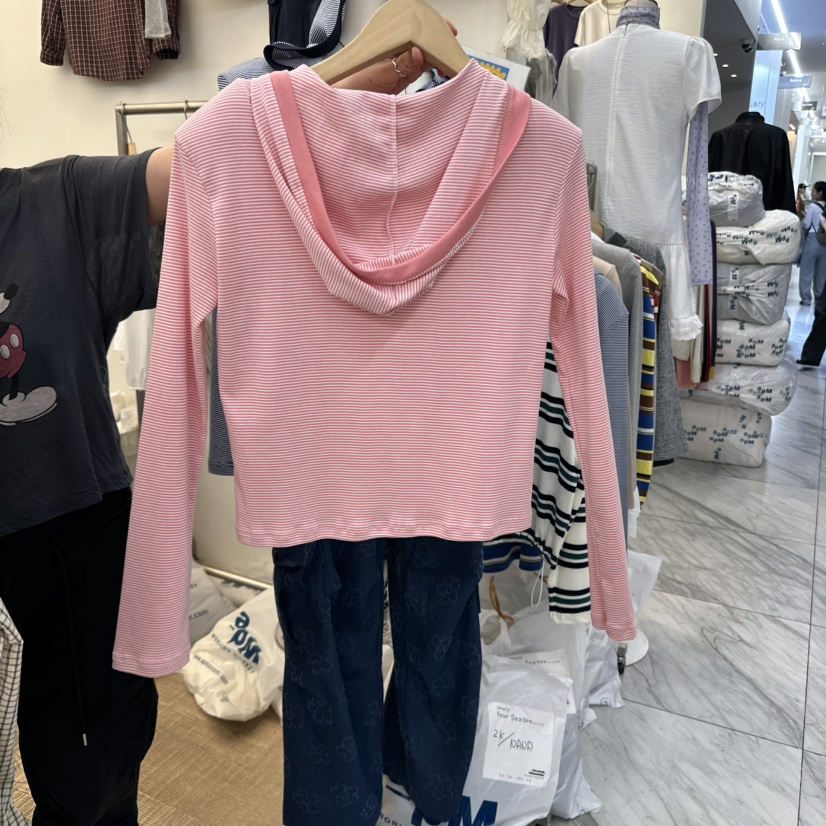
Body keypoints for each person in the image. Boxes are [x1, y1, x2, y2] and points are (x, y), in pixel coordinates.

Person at [0, 48, 438, 825]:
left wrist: (352, 80)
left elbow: (218, 150)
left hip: (71, 543)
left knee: (93, 778)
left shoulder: (54, 202)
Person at [798, 181, 826, 306]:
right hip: (824, 243)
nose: (812, 193)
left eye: (814, 191)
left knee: (806, 271)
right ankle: (819, 298)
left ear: (820, 193)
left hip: (812, 240)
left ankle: (806, 299)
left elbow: (806, 225)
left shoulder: (813, 207)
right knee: (821, 273)